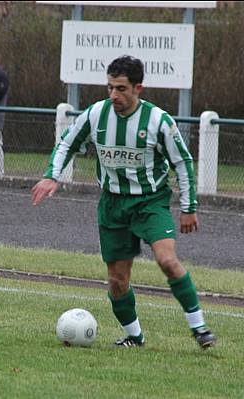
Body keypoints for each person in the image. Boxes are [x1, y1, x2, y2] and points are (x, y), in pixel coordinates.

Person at [31, 56, 217, 349]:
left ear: (138, 88)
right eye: (109, 88)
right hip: (112, 205)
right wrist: (51, 176)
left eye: (121, 88)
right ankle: (134, 337)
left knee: (167, 260)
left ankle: (200, 329)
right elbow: (66, 142)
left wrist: (189, 207)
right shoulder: (96, 114)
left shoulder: (158, 121)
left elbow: (183, 162)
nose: (114, 95)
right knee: (117, 281)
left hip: (150, 202)